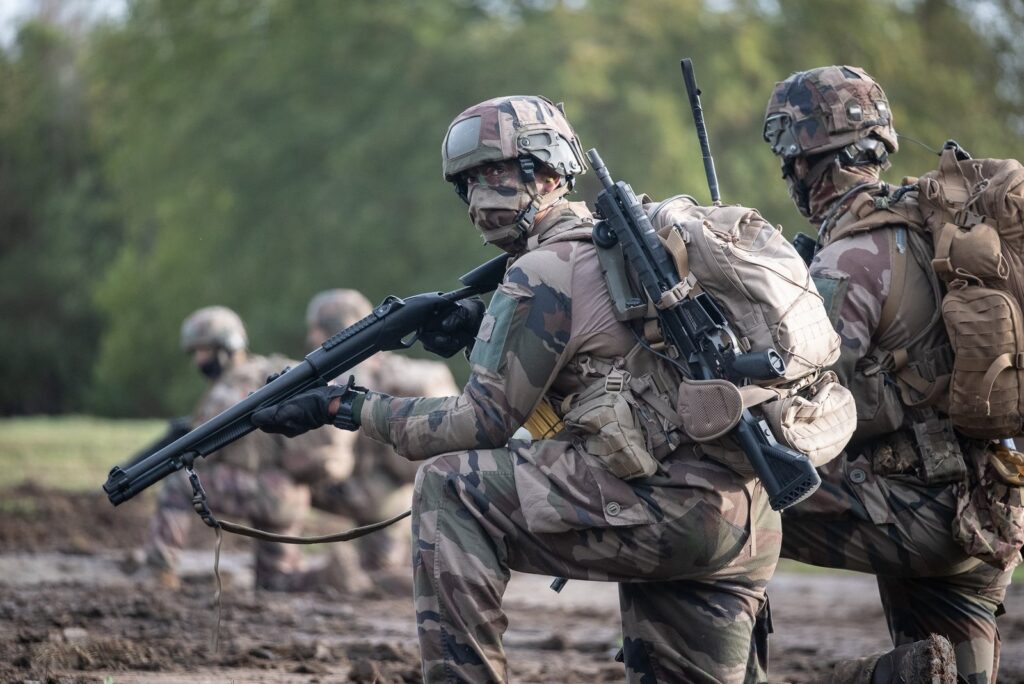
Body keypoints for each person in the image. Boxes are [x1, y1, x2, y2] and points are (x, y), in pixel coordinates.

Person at [252, 95, 783, 683]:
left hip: (664, 512)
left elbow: (479, 422)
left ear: (549, 172)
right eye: (469, 182)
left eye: (497, 173)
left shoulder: (543, 270)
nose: (481, 197)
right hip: (742, 514)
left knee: (450, 487)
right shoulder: (622, 248)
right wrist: (480, 329)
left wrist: (345, 405)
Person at [761, 65, 1023, 683]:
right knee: (947, 674)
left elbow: (809, 413)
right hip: (989, 512)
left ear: (804, 162)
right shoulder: (944, 230)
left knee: (724, 500)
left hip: (908, 511)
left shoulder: (847, 257)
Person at [141, 305, 357, 592]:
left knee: (179, 484)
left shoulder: (233, 385)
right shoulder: (266, 373)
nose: (198, 360)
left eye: (203, 351)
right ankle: (330, 576)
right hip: (292, 496)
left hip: (263, 491)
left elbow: (205, 453)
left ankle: (159, 572)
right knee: (276, 581)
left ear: (225, 348)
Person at [305, 289, 460, 575]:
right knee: (383, 572)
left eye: (317, 329)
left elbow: (330, 460)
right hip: (405, 496)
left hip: (378, 498)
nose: (311, 337)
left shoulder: (348, 376)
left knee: (288, 484)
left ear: (332, 331)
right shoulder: (389, 369)